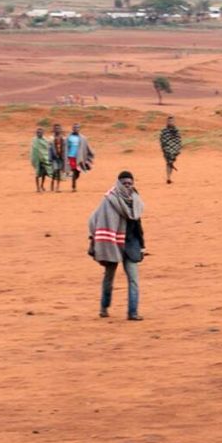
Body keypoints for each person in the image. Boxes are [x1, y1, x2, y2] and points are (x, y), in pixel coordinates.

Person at [88, 171, 146, 321]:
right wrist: (94, 238)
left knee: (134, 280)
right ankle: (104, 307)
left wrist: (142, 245)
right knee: (109, 278)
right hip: (112, 242)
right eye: (124, 183)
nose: (127, 186)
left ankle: (132, 312)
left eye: (130, 183)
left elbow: (138, 225)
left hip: (131, 244)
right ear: (119, 183)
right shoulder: (109, 199)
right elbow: (94, 219)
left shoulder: (136, 201)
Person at [64, 123, 94, 192]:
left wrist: (90, 154)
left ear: (79, 129)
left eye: (77, 128)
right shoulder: (69, 137)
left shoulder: (83, 138)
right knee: (74, 171)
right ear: (72, 129)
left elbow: (86, 147)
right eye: (74, 128)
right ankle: (74, 187)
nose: (76, 129)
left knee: (78, 172)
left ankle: (72, 179)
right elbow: (65, 147)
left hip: (79, 157)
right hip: (71, 157)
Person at [159, 116, 182, 184]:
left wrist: (177, 149)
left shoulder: (176, 130)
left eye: (172, 121)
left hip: (174, 150)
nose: (170, 122)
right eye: (169, 121)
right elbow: (162, 140)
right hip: (167, 150)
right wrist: (165, 148)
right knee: (169, 163)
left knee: (170, 163)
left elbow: (178, 140)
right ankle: (168, 178)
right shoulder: (164, 131)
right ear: (167, 122)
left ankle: (169, 177)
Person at [29, 127, 53, 193]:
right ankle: (37, 188)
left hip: (44, 159)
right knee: (37, 174)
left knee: (43, 174)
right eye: (37, 132)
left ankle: (42, 185)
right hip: (37, 160)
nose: (38, 133)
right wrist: (33, 158)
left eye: (40, 132)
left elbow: (47, 149)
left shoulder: (45, 140)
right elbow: (33, 150)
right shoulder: (34, 140)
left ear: (43, 133)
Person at [49, 124, 66, 192]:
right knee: (54, 171)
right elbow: (49, 149)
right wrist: (50, 158)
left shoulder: (63, 138)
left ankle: (57, 187)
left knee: (59, 171)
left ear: (60, 130)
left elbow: (64, 148)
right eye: (56, 128)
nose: (57, 130)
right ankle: (52, 182)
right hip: (54, 157)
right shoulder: (51, 138)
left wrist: (64, 157)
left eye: (58, 128)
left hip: (60, 157)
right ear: (54, 130)